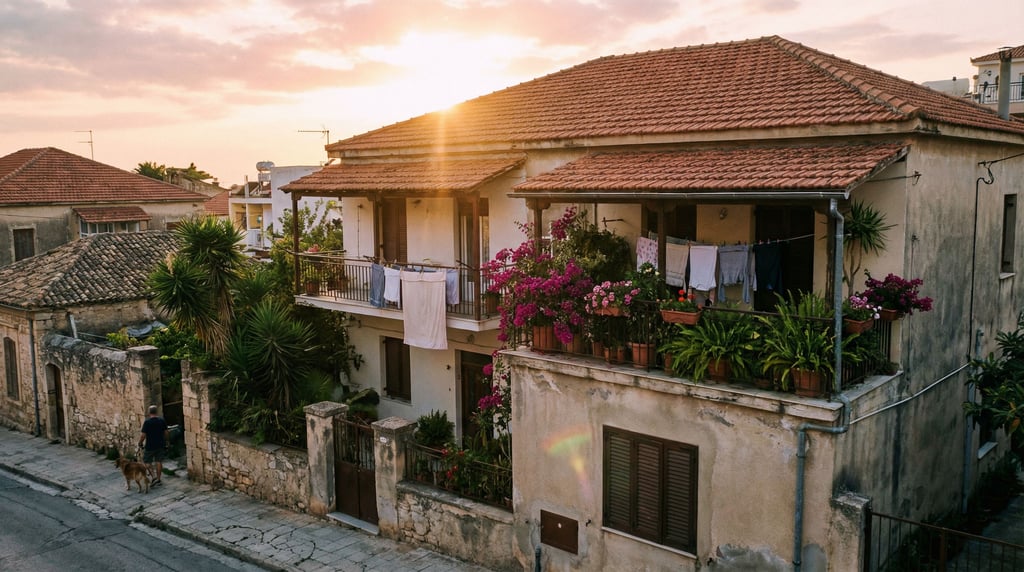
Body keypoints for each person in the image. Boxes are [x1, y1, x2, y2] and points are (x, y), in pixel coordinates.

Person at [139, 405, 169, 486]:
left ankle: (153, 475)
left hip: (150, 445)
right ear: (156, 412)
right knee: (159, 461)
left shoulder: (147, 422)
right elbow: (166, 433)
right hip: (160, 444)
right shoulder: (161, 420)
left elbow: (143, 435)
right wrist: (167, 441)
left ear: (149, 412)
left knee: (146, 461)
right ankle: (158, 479)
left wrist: (140, 443)